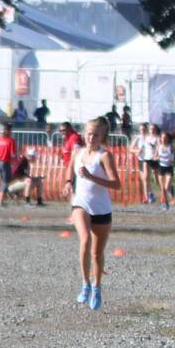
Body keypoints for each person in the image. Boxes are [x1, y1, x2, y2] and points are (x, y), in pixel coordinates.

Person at [68, 117, 119, 311]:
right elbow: (70, 169)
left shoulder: (104, 156)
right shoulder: (78, 152)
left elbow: (117, 184)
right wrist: (67, 182)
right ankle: (85, 284)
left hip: (101, 208)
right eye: (89, 133)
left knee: (97, 253)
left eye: (95, 134)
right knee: (85, 240)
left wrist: (92, 177)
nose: (91, 137)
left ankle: (97, 287)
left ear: (102, 136)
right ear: (84, 133)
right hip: (80, 204)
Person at [0, 123, 16, 207]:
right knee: (6, 182)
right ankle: (0, 202)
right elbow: (13, 154)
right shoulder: (11, 140)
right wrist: (15, 161)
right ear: (9, 131)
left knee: (5, 180)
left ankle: (4, 199)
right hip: (5, 163)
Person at [59, 121, 83, 200]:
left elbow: (76, 151)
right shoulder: (67, 138)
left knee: (75, 189)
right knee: (72, 188)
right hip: (70, 167)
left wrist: (73, 165)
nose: (62, 132)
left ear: (69, 129)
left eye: (64, 130)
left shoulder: (74, 137)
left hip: (75, 167)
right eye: (60, 131)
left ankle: (77, 206)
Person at [157, 131, 175, 209]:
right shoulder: (158, 147)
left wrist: (173, 160)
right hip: (161, 167)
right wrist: (155, 158)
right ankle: (166, 204)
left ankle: (170, 188)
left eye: (165, 138)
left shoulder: (171, 147)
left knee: (166, 187)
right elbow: (155, 156)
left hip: (169, 168)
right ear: (160, 139)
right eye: (162, 138)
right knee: (162, 188)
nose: (163, 139)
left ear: (168, 139)